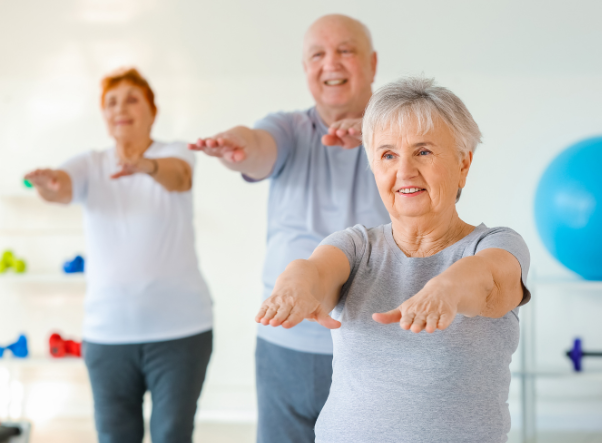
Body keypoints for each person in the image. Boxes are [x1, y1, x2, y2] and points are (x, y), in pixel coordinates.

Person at [256, 77, 532, 443]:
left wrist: (444, 291)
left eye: (423, 152)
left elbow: (487, 280)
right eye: (388, 155)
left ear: (463, 163)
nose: (404, 171)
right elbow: (316, 270)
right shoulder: (357, 246)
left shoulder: (495, 244)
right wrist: (295, 286)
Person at [188, 14, 389, 443]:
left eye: (345, 51)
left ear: (372, 64)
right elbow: (259, 146)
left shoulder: (400, 131)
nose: (330, 63)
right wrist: (236, 146)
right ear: (305, 69)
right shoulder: (290, 128)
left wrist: (379, 139)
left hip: (376, 342)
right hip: (288, 342)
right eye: (317, 54)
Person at [24, 68, 213, 443]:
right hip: (108, 335)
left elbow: (178, 177)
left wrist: (144, 165)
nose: (120, 108)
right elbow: (62, 186)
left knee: (172, 434)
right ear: (104, 115)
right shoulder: (91, 163)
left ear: (151, 110)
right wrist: (49, 183)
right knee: (114, 436)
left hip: (180, 332)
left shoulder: (174, 152)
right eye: (111, 102)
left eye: (132, 99)